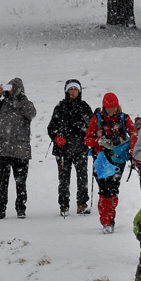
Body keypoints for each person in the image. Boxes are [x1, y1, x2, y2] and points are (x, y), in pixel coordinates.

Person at [0, 77, 36, 220]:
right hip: (2, 150)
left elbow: (32, 113)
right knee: (2, 183)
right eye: (10, 87)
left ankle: (21, 209)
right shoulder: (1, 104)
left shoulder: (25, 104)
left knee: (21, 183)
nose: (11, 90)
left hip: (20, 150)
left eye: (14, 87)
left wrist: (20, 96)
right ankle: (0, 210)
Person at [84, 92, 136, 234]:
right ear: (104, 107)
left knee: (112, 190)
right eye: (108, 107)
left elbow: (135, 135)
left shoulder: (124, 118)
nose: (111, 110)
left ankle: (109, 219)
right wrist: (100, 142)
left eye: (114, 107)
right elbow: (87, 139)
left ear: (118, 106)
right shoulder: (97, 119)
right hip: (101, 159)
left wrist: (123, 142)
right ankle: (107, 221)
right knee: (105, 190)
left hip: (118, 159)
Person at [46, 80, 93, 217]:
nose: (73, 92)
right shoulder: (60, 107)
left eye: (75, 89)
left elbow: (92, 127)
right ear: (66, 91)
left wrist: (88, 137)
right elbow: (51, 127)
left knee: (82, 178)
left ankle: (82, 204)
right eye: (70, 89)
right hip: (62, 150)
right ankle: (64, 206)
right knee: (64, 179)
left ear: (79, 91)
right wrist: (56, 137)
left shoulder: (84, 107)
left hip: (81, 149)